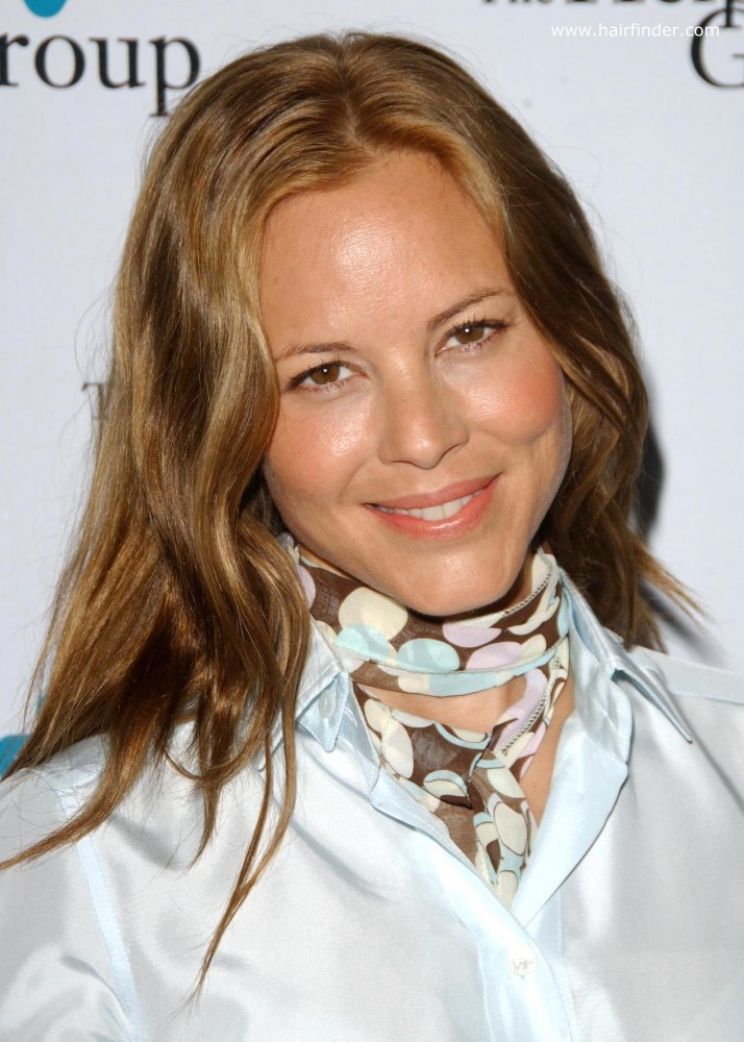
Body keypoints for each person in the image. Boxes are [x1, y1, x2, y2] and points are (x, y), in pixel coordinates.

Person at [0, 30, 742, 1042]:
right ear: (222, 419)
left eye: (470, 333)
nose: (424, 435)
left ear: (570, 336)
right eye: (325, 374)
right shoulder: (80, 863)